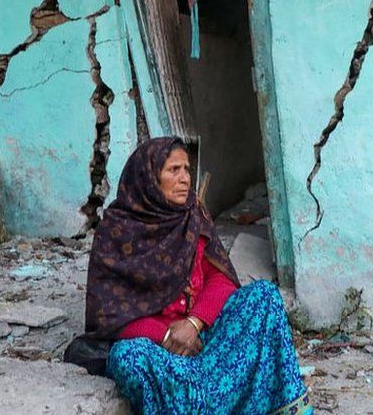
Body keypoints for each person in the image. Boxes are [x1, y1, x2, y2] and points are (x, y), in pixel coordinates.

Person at [83, 136, 310, 414]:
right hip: (163, 351)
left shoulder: (193, 216)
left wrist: (194, 323)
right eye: (173, 170)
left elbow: (220, 277)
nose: (184, 179)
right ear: (149, 178)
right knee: (127, 358)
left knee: (264, 296)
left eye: (187, 169)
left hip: (204, 337)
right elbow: (108, 316)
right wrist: (166, 335)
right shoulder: (116, 231)